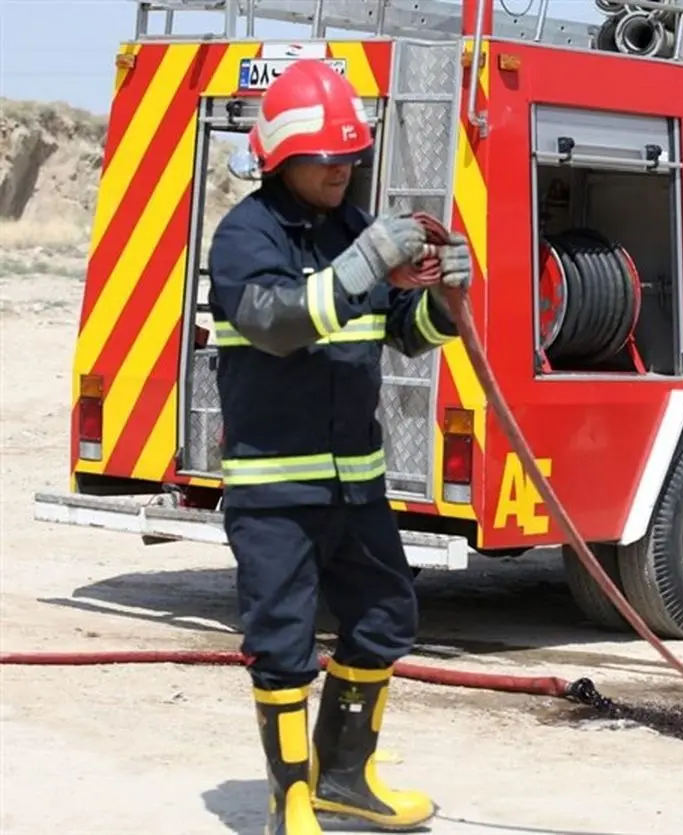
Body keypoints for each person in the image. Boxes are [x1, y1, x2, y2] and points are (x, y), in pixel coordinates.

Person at [207, 58, 470, 834]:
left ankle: (346, 777)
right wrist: (361, 266)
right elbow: (278, 322)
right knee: (283, 643)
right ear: (284, 157)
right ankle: (289, 797)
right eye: (329, 158)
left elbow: (400, 331)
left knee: (387, 616)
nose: (344, 171)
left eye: (352, 157)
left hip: (355, 485)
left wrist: (447, 304)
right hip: (275, 493)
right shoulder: (243, 237)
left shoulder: (354, 227)